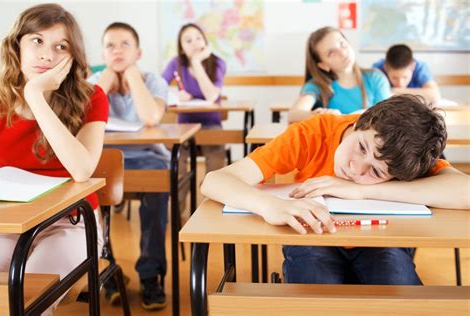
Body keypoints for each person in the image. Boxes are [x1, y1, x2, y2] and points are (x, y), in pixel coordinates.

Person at [201, 94, 469, 286]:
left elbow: (464, 190)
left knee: (394, 284)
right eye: (362, 147)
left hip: (381, 239)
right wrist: (270, 206)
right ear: (361, 121)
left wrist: (362, 191)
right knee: (316, 286)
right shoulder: (314, 133)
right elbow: (214, 181)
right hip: (312, 238)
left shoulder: (404, 158)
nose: (356, 168)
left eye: (375, 172)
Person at [0, 3, 107, 314]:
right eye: (36, 41)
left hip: (72, 223)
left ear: (72, 57)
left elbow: (83, 170)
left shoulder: (91, 97)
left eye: (61, 46)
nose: (47, 55)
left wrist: (35, 96)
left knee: (30, 300)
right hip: (10, 223)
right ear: (16, 45)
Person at [88, 22, 169, 310]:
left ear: (139, 52)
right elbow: (81, 119)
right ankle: (107, 271)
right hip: (102, 160)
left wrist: (132, 75)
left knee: (158, 187)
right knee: (91, 197)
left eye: (125, 45)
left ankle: (150, 275)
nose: (117, 50)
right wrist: (106, 79)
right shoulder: (94, 81)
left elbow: (150, 117)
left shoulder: (154, 81)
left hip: (147, 158)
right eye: (110, 45)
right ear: (102, 52)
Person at [162, 23, 227, 219]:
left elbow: (211, 96)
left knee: (216, 160)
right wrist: (175, 95)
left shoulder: (217, 63)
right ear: (181, 47)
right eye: (188, 40)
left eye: (198, 37)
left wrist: (197, 63)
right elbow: (158, 88)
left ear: (205, 41)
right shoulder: (176, 63)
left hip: (211, 124)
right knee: (177, 165)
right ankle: (175, 215)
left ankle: (213, 212)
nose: (194, 43)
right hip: (185, 126)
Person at [288, 26, 391, 123]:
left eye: (342, 44)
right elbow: (294, 114)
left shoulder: (375, 78)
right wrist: (325, 116)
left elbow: (388, 118)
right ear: (323, 65)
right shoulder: (317, 85)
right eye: (331, 53)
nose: (342, 53)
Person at [373, 44, 441, 104]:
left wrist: (395, 91)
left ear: (413, 67)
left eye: (405, 77)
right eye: (395, 78)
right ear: (385, 68)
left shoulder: (420, 68)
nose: (400, 84)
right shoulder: (377, 69)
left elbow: (434, 96)